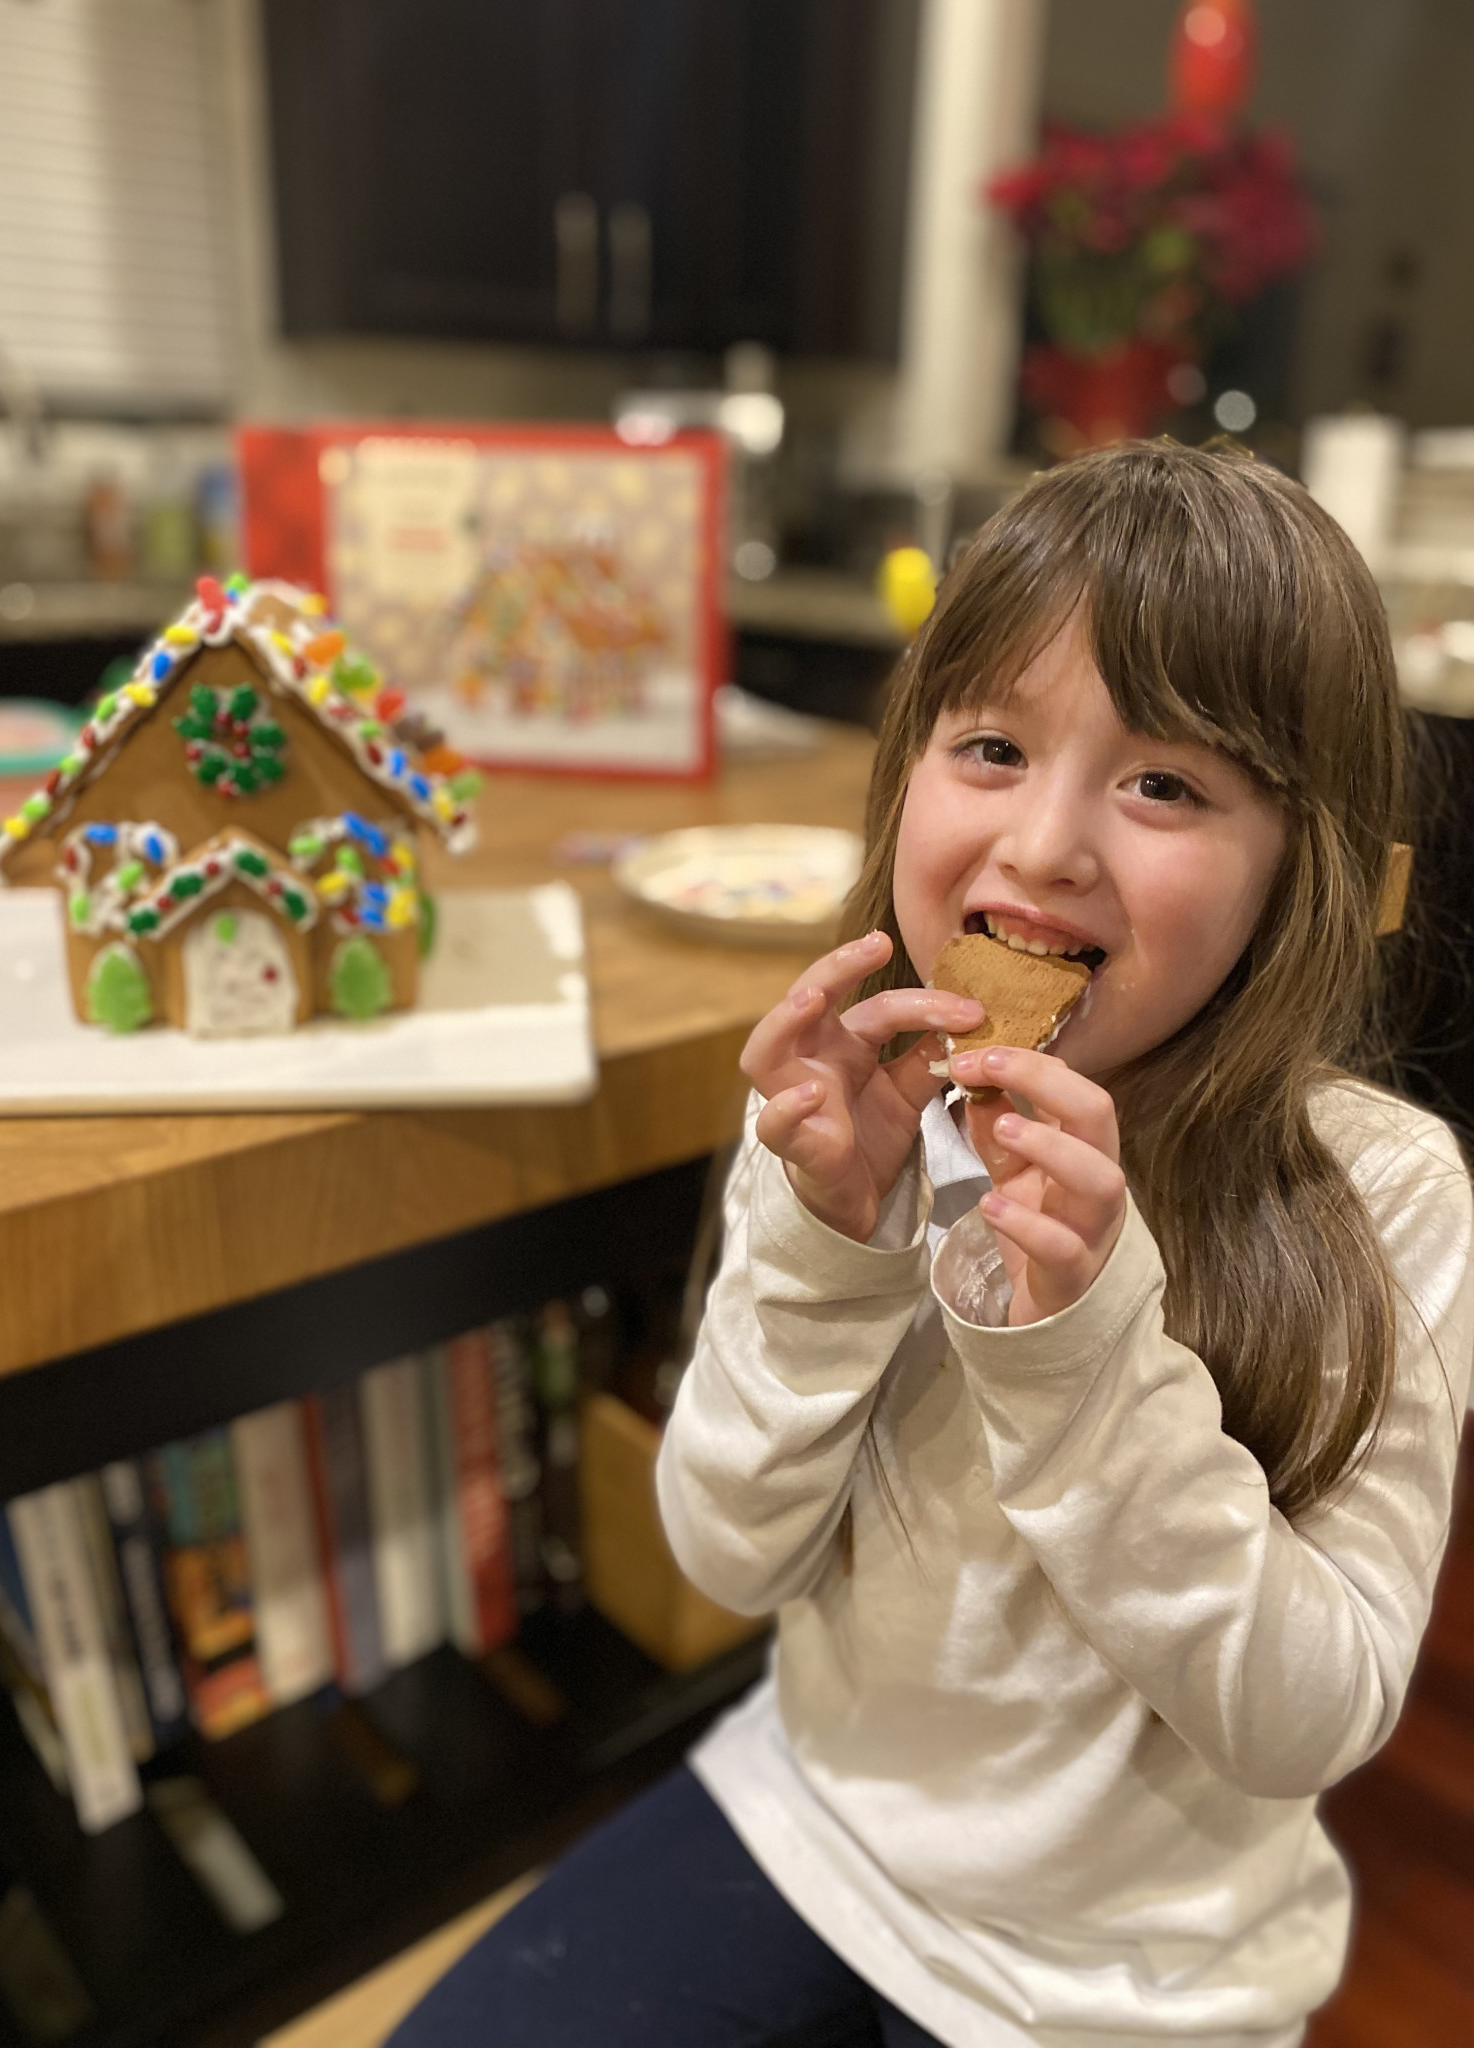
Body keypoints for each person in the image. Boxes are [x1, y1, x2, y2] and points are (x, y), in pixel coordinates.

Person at [385, 441, 1474, 2048]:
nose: (1044, 844)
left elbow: (1311, 1716)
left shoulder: (1380, 1196)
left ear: (1295, 867)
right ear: (907, 770)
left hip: (1135, 1974)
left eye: (1166, 784)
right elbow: (725, 1555)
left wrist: (1087, 1353)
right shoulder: (862, 1113)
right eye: (992, 747)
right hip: (819, 1822)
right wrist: (823, 1246)